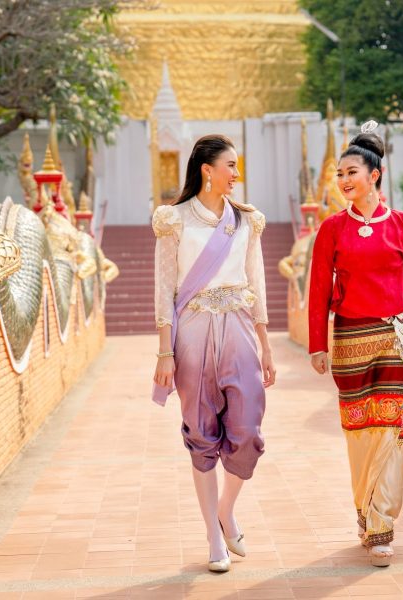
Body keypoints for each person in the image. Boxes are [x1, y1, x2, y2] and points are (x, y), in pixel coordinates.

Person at [152, 134, 276, 573]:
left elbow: (256, 282)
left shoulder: (247, 221)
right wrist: (164, 353)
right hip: (193, 331)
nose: (236, 175)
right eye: (231, 166)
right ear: (207, 169)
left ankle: (226, 510)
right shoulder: (174, 220)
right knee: (201, 431)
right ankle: (212, 536)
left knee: (247, 430)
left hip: (240, 328)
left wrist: (265, 344)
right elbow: (165, 288)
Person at [308, 121, 403, 567]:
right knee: (360, 431)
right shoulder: (332, 230)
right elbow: (319, 287)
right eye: (340, 174)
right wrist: (317, 345)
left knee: (392, 430)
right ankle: (365, 508)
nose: (343, 181)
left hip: (397, 338)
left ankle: (381, 525)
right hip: (349, 341)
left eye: (351, 173)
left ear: (374, 175)